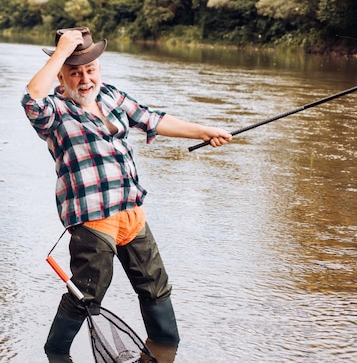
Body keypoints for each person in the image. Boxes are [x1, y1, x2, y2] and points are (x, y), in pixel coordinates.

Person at [21, 27, 232, 362]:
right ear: (61, 77)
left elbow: (154, 120)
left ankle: (166, 347)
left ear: (99, 69)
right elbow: (32, 98)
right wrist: (60, 52)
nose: (85, 79)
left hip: (132, 215)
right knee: (87, 295)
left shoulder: (113, 97)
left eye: (90, 70)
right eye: (74, 73)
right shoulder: (55, 112)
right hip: (93, 223)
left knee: (155, 287)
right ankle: (55, 353)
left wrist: (204, 131)